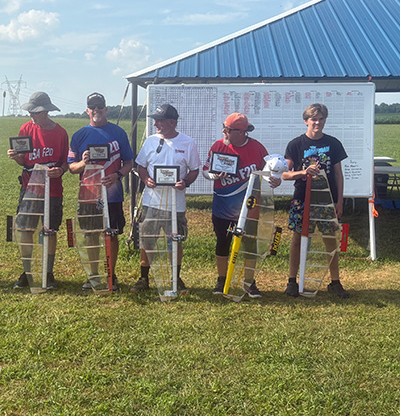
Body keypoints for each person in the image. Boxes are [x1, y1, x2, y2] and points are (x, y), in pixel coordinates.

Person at [203, 113, 281, 298]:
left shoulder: (256, 147)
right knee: (223, 242)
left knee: (249, 245)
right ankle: (221, 279)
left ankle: (249, 282)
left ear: (242, 132)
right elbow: (206, 171)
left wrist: (275, 179)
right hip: (223, 205)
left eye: (228, 129)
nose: (224, 131)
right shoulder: (218, 145)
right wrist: (214, 176)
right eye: (224, 127)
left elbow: (271, 170)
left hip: (249, 208)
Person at [130, 103, 201, 294]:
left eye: (159, 121)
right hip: (151, 202)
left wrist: (185, 182)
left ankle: (175, 279)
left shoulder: (188, 143)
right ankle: (143, 278)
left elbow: (195, 170)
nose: (155, 125)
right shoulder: (151, 141)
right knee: (148, 240)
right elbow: (140, 166)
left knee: (175, 241)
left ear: (171, 122)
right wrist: (146, 179)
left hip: (175, 204)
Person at [68, 92, 134, 291]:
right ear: (87, 110)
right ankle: (94, 275)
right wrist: (83, 162)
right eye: (92, 106)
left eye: (99, 106)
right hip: (88, 195)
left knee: (112, 234)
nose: (96, 109)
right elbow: (71, 167)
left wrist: (118, 176)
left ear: (106, 109)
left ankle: (111, 274)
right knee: (91, 235)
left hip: (112, 194)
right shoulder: (79, 135)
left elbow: (129, 162)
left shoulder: (118, 133)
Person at [282, 103, 349, 298]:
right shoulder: (296, 144)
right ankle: (292, 281)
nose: (317, 123)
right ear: (306, 121)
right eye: (313, 119)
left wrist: (340, 202)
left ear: (325, 121)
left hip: (327, 200)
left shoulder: (333, 143)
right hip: (302, 199)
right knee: (297, 239)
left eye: (321, 119)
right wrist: (303, 172)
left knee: (330, 239)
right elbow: (285, 173)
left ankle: (335, 282)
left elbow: (338, 174)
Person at [8, 92, 69, 290]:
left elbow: (64, 163)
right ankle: (27, 271)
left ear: (46, 111)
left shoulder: (60, 133)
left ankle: (48, 271)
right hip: (29, 187)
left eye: (35, 112)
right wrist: (15, 156)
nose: (31, 116)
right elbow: (22, 160)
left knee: (50, 230)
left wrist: (59, 170)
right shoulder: (26, 128)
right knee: (25, 228)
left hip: (52, 189)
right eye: (30, 112)